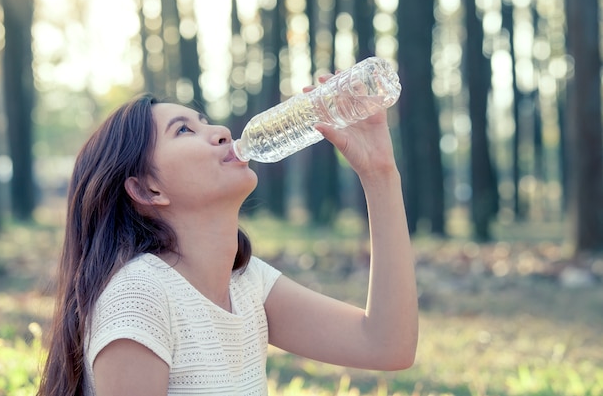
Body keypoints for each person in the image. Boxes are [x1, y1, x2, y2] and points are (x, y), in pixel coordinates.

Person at [37, 74, 418, 396]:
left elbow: (388, 345)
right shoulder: (139, 296)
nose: (220, 132)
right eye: (185, 130)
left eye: (205, 122)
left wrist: (380, 172)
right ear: (148, 190)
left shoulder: (247, 285)